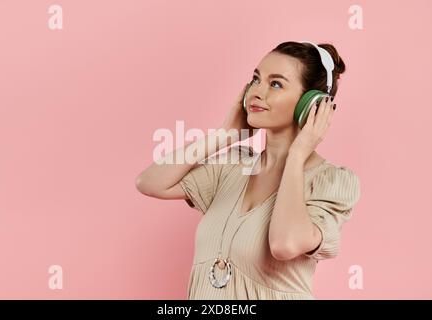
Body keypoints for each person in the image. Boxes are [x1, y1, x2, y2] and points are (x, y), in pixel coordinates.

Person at [136, 41, 361, 299]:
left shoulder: (329, 181)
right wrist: (225, 134)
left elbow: (284, 244)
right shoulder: (232, 167)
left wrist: (297, 155)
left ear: (311, 104)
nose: (256, 92)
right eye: (256, 79)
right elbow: (149, 182)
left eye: (275, 84)